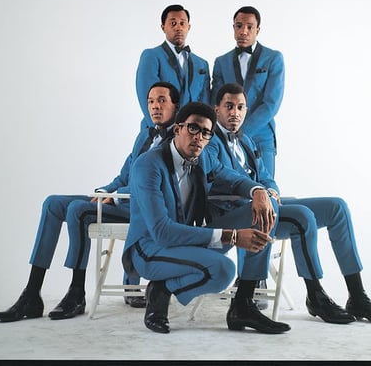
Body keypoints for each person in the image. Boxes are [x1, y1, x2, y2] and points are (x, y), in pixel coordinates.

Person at [204, 83, 371, 325]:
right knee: (302, 216)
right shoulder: (209, 140)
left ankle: (357, 295)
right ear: (217, 109)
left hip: (266, 205)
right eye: (229, 106)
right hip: (237, 210)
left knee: (337, 207)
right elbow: (221, 174)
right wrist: (257, 191)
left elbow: (266, 176)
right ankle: (314, 295)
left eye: (240, 107)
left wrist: (270, 191)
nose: (235, 113)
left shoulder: (247, 141)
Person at [0, 82, 181, 322]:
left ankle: (76, 292)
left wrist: (114, 197)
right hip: (121, 199)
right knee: (52, 203)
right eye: (151, 101)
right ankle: (32, 292)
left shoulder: (177, 141)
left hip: (142, 210)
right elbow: (125, 174)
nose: (155, 106)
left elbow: (155, 183)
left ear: (175, 106)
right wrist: (106, 190)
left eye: (162, 100)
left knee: (78, 210)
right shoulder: (144, 135)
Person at [122, 102, 290, 334]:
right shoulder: (148, 165)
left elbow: (233, 178)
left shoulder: (202, 159)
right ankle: (161, 289)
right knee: (223, 271)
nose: (199, 137)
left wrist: (258, 191)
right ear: (177, 128)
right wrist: (231, 237)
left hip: (184, 241)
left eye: (206, 132)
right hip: (150, 249)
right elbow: (162, 232)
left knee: (265, 207)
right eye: (193, 128)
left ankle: (244, 303)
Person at [211, 6, 284, 178]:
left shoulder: (273, 58)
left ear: (257, 29)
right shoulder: (221, 62)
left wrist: (241, 131)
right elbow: (217, 101)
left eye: (249, 27)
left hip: (261, 135)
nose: (244, 31)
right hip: (226, 135)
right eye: (239, 26)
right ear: (233, 28)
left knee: (266, 191)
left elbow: (271, 103)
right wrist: (227, 133)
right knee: (233, 189)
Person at [135, 4, 211, 130]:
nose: (178, 28)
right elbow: (147, 98)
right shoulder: (151, 56)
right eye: (173, 23)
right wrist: (162, 130)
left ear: (189, 27)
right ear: (163, 27)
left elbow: (205, 104)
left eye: (182, 23)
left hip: (191, 134)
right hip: (158, 132)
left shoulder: (202, 64)